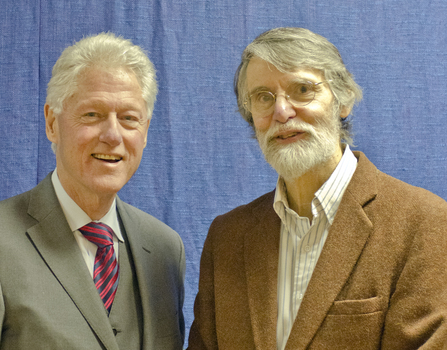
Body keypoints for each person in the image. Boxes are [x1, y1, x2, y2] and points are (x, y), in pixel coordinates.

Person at [188, 27, 447, 349]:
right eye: (263, 97)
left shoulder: (423, 222)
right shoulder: (227, 237)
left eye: (302, 89)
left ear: (343, 101)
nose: (282, 112)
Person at [0, 33, 185, 350]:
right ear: (52, 123)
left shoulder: (165, 249)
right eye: (92, 114)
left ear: (146, 131)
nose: (113, 135)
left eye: (128, 118)